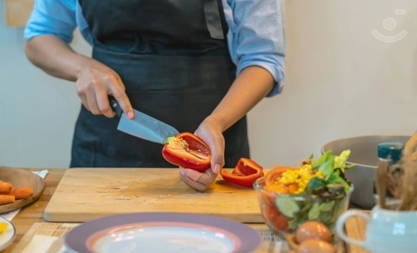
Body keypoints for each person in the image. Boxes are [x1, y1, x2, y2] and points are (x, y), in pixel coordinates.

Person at [24, 0, 285, 191]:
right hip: (105, 150)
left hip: (214, 146)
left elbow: (262, 60)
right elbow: (39, 37)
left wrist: (216, 123)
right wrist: (82, 68)